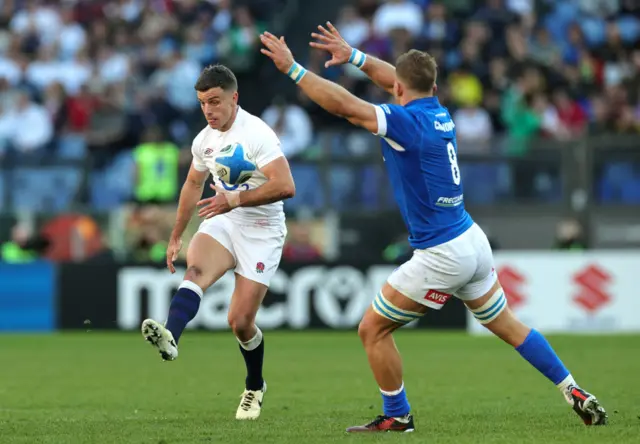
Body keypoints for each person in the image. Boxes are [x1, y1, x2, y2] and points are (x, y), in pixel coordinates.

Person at [259, 24, 607, 432]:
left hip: (442, 253)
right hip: (470, 240)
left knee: (372, 328)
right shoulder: (438, 111)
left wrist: (294, 69)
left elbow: (347, 107)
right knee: (509, 326)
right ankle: (574, 390)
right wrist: (353, 56)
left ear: (400, 92)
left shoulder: (407, 123)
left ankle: (397, 416)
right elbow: (400, 78)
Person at [140, 64, 296, 420]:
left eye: (214, 101)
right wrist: (177, 233)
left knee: (240, 322)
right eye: (202, 103)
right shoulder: (203, 140)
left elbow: (286, 185)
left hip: (262, 230)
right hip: (225, 220)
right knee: (195, 270)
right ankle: (172, 337)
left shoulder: (257, 133)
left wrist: (234, 199)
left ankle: (254, 386)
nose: (208, 110)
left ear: (234, 98)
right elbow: (193, 185)